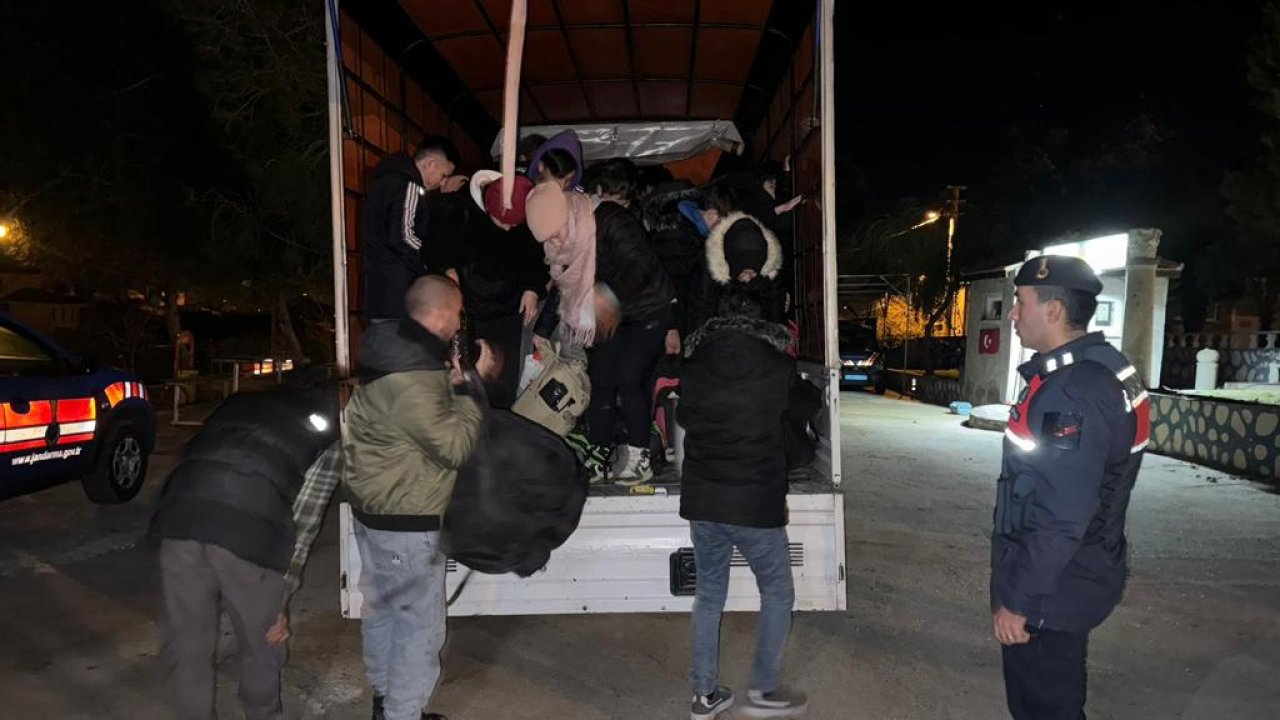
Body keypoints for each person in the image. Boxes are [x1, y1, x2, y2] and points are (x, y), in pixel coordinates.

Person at [993, 255, 1151, 720]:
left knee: (1044, 706)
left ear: (1054, 310)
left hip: (1054, 586)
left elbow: (1062, 514)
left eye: (1020, 302)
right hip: (1073, 571)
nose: (1012, 314)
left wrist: (1020, 602)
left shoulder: (1073, 391)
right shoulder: (1097, 369)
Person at [344, 275, 495, 720]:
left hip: (375, 510)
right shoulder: (413, 377)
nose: (460, 321)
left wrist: (449, 381)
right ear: (441, 313)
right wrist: (471, 387)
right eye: (458, 311)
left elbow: (412, 420)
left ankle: (386, 702)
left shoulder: (394, 356)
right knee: (419, 630)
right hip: (406, 519)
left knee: (383, 612)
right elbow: (454, 447)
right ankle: (402, 713)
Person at [147, 381, 340, 720]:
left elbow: (194, 460)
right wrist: (282, 597)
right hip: (247, 534)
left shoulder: (238, 405)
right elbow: (306, 518)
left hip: (177, 524)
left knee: (189, 646)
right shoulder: (330, 432)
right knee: (264, 640)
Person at [677, 286, 809, 720]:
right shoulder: (776, 365)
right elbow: (798, 411)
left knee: (708, 596)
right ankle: (764, 691)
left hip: (704, 500)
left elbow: (682, 417)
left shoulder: (694, 364)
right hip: (754, 502)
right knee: (777, 592)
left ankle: (704, 696)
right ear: (758, 321)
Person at [581, 158, 677, 484]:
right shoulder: (582, 224)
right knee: (601, 378)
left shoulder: (613, 218)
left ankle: (640, 455)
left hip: (648, 309)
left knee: (628, 377)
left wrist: (609, 296)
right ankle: (598, 453)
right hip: (618, 311)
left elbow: (640, 265)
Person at [362, 136, 460, 321]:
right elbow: (404, 236)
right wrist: (430, 269)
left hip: (379, 289)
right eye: (444, 175)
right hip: (398, 289)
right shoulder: (409, 185)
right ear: (430, 163)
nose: (442, 183)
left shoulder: (386, 180)